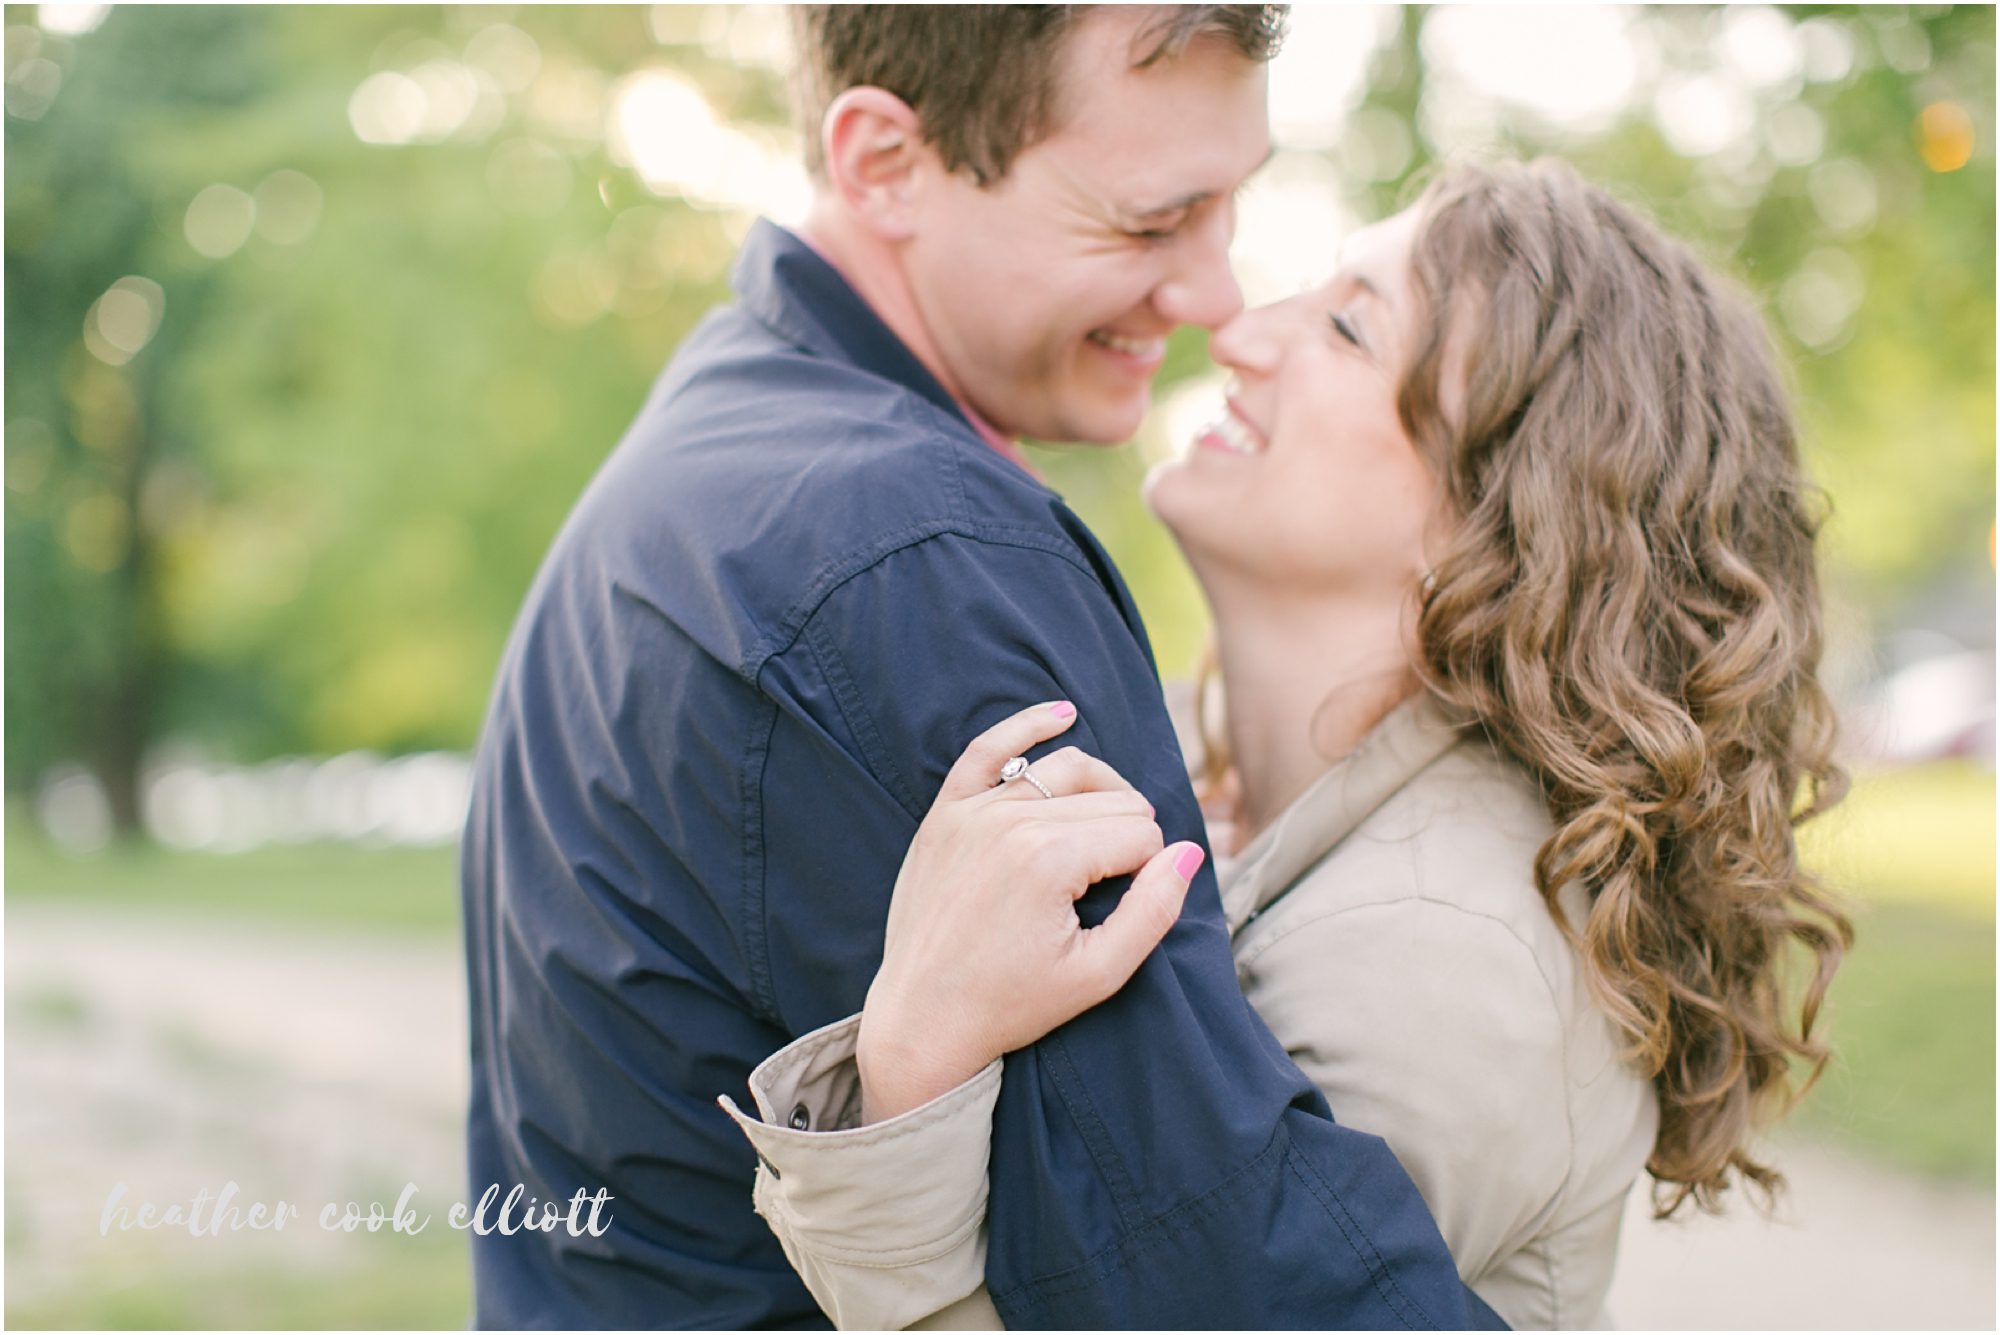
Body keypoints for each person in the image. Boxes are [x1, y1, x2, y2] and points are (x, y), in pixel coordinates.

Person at [460, 6, 1504, 1328]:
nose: (1216, 297)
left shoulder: (723, 446)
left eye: (1229, 204)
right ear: (886, 162)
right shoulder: (918, 560)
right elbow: (1217, 1268)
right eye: (1148, 221)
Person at [722, 160, 1854, 1329]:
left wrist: (915, 1067)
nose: (1239, 332)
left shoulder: (1436, 958)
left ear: (1517, 506)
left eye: (1347, 327)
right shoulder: (1210, 790)